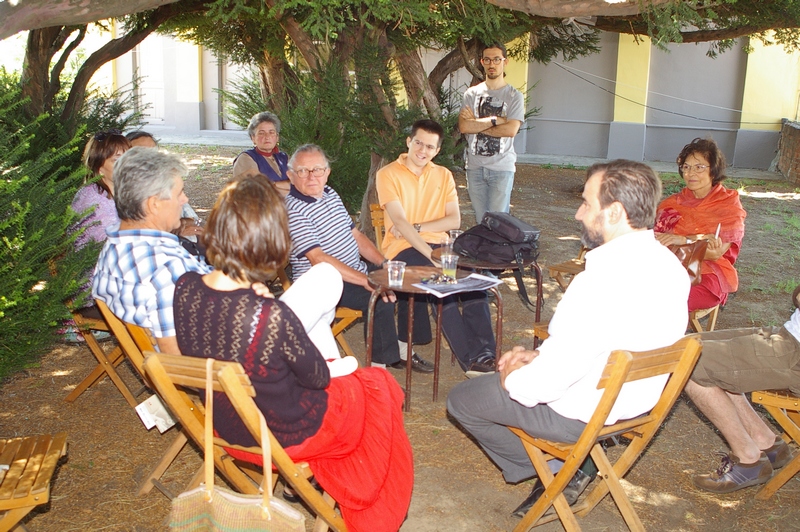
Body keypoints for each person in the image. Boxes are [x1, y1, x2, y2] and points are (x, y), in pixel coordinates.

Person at [447, 160, 690, 518]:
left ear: (615, 212)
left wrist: (513, 376)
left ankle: (555, 468)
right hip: (632, 405)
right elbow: (601, 344)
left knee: (462, 399)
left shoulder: (600, 280)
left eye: (587, 203)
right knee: (524, 373)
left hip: (584, 414)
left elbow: (546, 385)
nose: (578, 213)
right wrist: (540, 356)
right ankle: (569, 465)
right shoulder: (669, 266)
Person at [173, 174, 414, 532]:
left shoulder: (186, 288)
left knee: (356, 376)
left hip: (229, 426)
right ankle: (371, 509)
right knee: (378, 385)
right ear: (272, 243)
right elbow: (316, 377)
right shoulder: (269, 315)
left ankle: (327, 484)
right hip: (286, 434)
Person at [285, 144, 434, 372]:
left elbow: (355, 235)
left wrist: (385, 264)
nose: (311, 176)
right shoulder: (294, 209)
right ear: (290, 176)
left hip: (354, 269)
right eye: (303, 171)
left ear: (327, 172)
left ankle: (403, 350)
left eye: (317, 169)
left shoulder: (330, 194)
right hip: (322, 286)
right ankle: (378, 372)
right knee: (378, 297)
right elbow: (318, 259)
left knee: (403, 281)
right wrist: (367, 281)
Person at [376, 118, 497, 375]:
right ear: (409, 142)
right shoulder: (387, 174)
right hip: (402, 249)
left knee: (475, 284)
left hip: (441, 246)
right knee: (443, 286)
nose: (422, 151)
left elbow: (454, 220)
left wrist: (419, 225)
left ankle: (486, 355)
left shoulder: (443, 175)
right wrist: (431, 255)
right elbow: (400, 224)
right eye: (418, 143)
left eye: (430, 147)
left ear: (437, 150)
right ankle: (470, 362)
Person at [91, 147, 210, 356]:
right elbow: (179, 361)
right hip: (218, 372)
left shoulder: (113, 248)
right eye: (179, 193)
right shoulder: (168, 268)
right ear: (154, 204)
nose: (185, 200)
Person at [685, 284, 799, 493]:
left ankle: (748, 460)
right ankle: (765, 441)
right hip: (788, 338)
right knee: (689, 344)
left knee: (687, 361)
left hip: (794, 355)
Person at [655, 137, 746, 311]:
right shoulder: (671, 205)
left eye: (699, 167)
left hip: (708, 275)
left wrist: (682, 240)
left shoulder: (728, 205)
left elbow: (714, 254)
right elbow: (657, 240)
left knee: (666, 304)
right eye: (686, 167)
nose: (691, 173)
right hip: (668, 270)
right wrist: (698, 242)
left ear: (713, 170)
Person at [458, 42, 525, 224]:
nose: (492, 64)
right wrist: (496, 120)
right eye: (487, 59)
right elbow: (464, 127)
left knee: (499, 222)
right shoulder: (471, 94)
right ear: (481, 62)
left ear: (505, 62)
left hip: (501, 168)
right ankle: (482, 253)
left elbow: (510, 130)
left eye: (496, 59)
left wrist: (476, 123)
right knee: (481, 221)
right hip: (474, 168)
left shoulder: (513, 96)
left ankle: (498, 254)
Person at [71, 130, 131, 248]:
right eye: (117, 160)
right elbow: (118, 244)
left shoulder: (123, 193)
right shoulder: (92, 200)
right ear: (99, 167)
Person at [232, 111, 291, 196]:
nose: (267, 137)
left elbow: (299, 184)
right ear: (253, 138)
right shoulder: (246, 158)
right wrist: (288, 189)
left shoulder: (284, 157)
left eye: (271, 132)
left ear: (277, 137)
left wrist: (273, 185)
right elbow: (258, 191)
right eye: (261, 133)